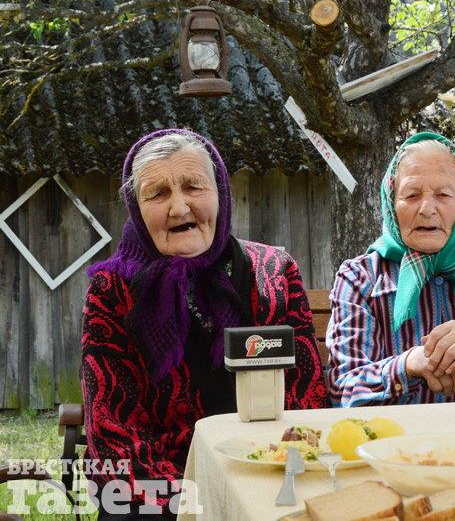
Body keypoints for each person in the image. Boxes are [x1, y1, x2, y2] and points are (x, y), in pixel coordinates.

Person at [80, 129, 328, 518]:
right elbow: (115, 433)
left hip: (269, 476)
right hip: (163, 495)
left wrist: (274, 480)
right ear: (136, 209)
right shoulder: (114, 289)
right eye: (157, 193)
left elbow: (307, 399)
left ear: (221, 193)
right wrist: (198, 503)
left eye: (194, 186)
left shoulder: (274, 272)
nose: (179, 208)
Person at [326, 132, 455, 407]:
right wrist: (407, 365)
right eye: (412, 195)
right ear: (391, 201)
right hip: (395, 435)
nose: (427, 209)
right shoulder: (360, 279)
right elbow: (342, 391)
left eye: (443, 195)